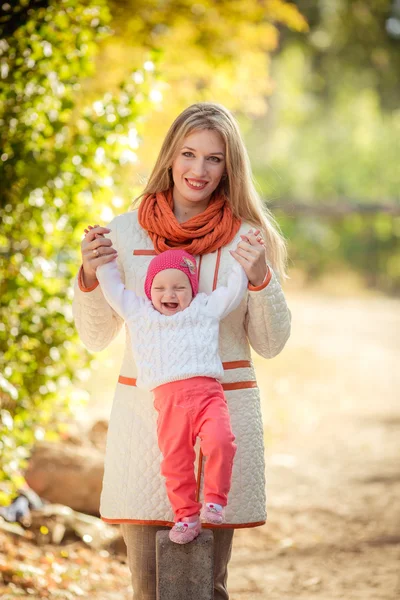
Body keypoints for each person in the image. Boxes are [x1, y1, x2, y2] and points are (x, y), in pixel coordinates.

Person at [73, 102, 291, 600]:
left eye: (214, 159)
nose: (198, 170)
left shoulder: (247, 237)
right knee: (149, 587)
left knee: (205, 586)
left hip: (222, 419)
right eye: (188, 154)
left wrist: (259, 276)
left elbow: (272, 343)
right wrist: (87, 276)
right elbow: (95, 336)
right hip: (145, 426)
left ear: (229, 166)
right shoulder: (124, 234)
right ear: (170, 157)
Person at [95, 246, 249, 544]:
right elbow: (113, 290)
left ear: (191, 290)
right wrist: (103, 262)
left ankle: (215, 501)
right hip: (169, 403)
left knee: (221, 441)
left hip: (208, 396)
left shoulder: (204, 308)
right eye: (160, 287)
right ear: (148, 290)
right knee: (175, 462)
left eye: (179, 287)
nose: (170, 294)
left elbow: (233, 291)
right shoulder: (139, 313)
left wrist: (243, 262)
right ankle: (186, 517)